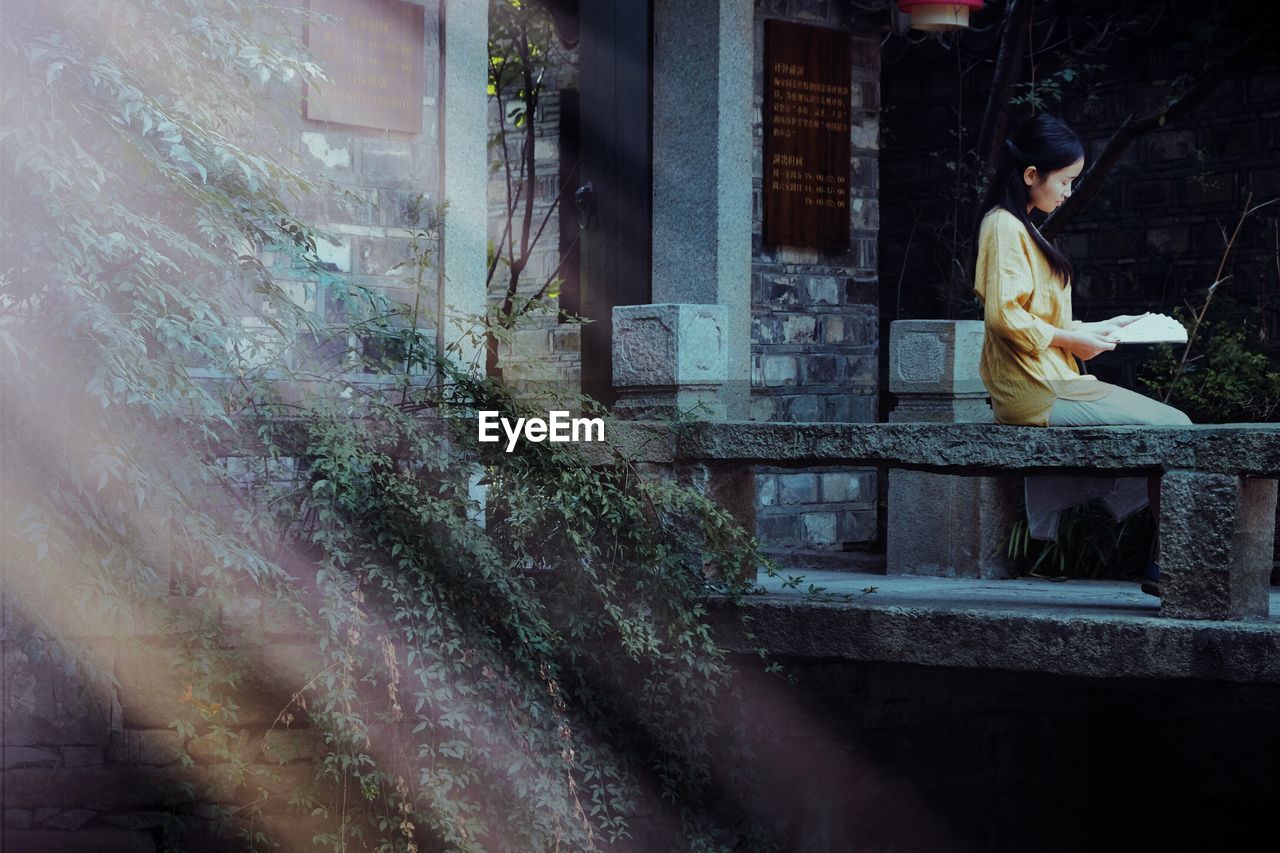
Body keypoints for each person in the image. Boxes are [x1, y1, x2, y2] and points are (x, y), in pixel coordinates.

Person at [972, 113, 1192, 598]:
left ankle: (1168, 565)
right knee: (1176, 427)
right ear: (1032, 175)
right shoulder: (1004, 227)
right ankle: (1171, 566)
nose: (1069, 193)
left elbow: (1040, 319)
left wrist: (1101, 328)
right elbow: (1003, 317)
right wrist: (1073, 342)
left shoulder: (1022, 228)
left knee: (1176, 426)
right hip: (1035, 387)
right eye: (1066, 181)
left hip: (1052, 378)